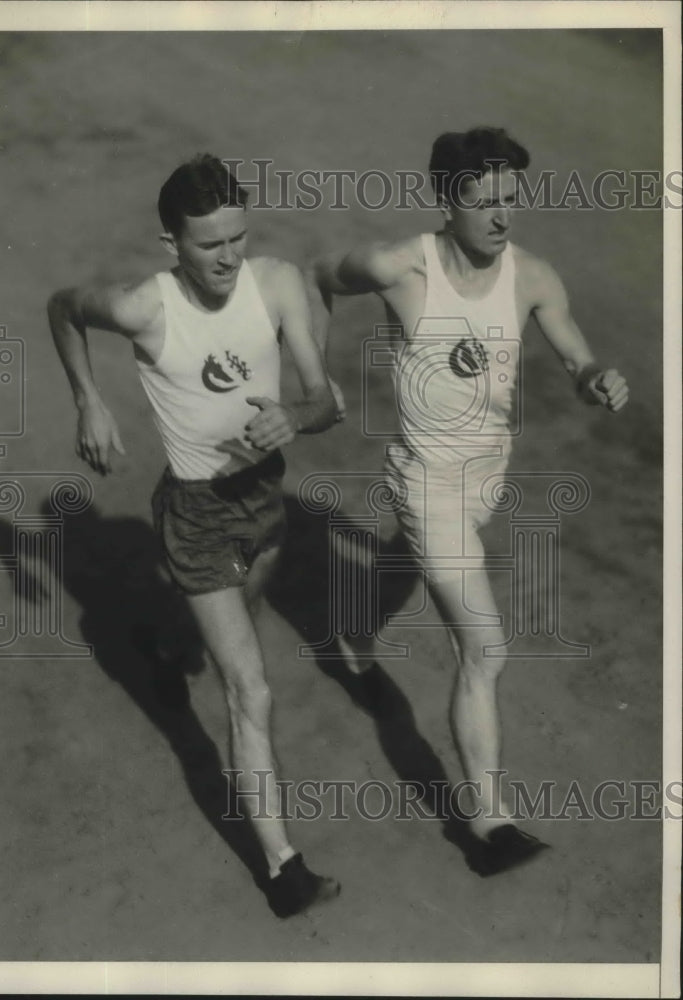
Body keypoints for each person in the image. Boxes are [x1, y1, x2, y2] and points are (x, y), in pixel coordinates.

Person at [305, 126, 629, 876]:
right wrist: (310, 375)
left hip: (487, 473)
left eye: (510, 200)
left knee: (411, 567)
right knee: (483, 648)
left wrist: (595, 379)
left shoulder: (534, 277)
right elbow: (316, 275)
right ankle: (486, 822)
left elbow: (577, 354)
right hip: (426, 482)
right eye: (482, 202)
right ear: (444, 201)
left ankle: (348, 631)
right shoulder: (399, 269)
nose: (500, 216)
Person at [48, 154, 341, 916]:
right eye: (209, 244)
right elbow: (62, 308)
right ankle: (283, 869)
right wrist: (88, 401)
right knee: (251, 687)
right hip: (194, 513)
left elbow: (323, 397)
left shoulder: (274, 283)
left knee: (241, 604)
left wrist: (297, 416)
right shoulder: (142, 308)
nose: (228, 258)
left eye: (237, 238)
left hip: (264, 496)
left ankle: (172, 648)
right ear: (169, 241)